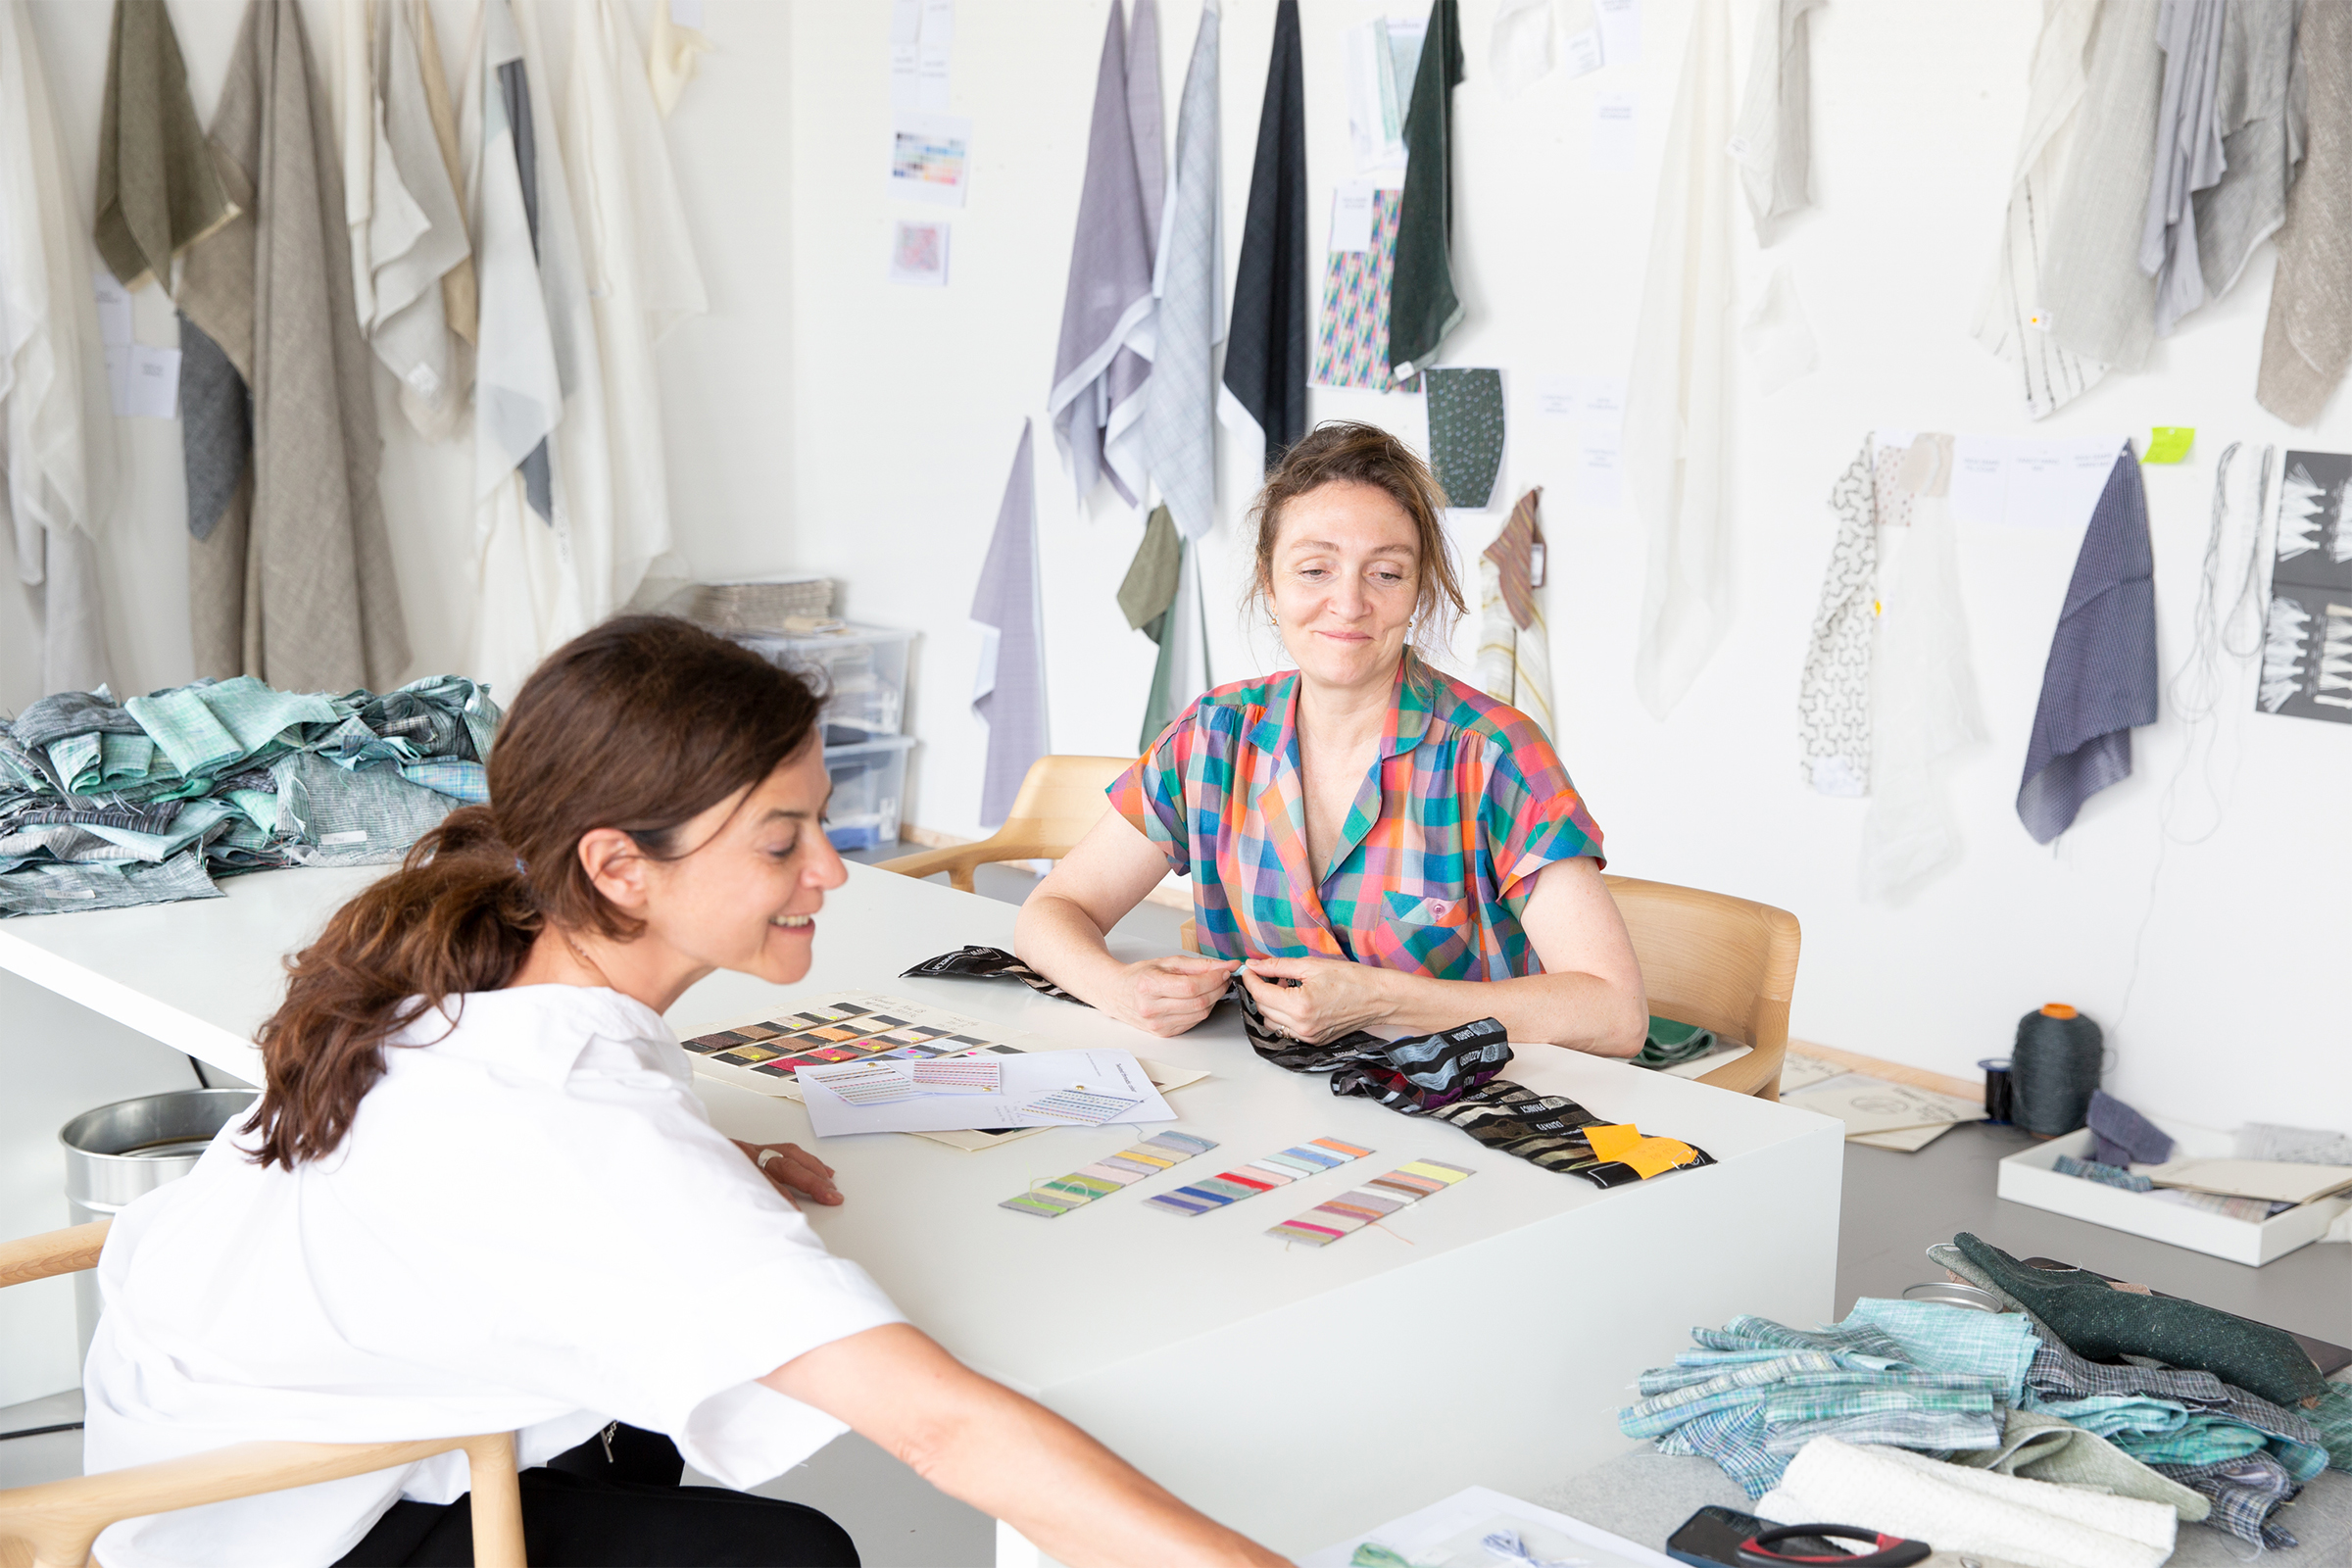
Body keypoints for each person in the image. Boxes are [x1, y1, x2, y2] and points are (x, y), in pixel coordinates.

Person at [80, 617, 1284, 1568]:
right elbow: (940, 1426)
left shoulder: (488, 962)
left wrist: (698, 1181)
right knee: (793, 1552)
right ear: (618, 865)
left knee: (650, 1436)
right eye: (780, 841)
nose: (832, 870)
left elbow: (534, 1177)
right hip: (275, 1527)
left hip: (234, 1441)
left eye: (820, 822)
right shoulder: (574, 1122)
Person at [1017, 422, 1646, 1054]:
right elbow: (1055, 909)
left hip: (1459, 1110)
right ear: (1270, 583)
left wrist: (1384, 999)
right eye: (1315, 569)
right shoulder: (1213, 735)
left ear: (1419, 592)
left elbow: (1615, 1014)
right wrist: (1118, 989)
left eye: (1387, 574)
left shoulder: (1494, 756)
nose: (1348, 604)